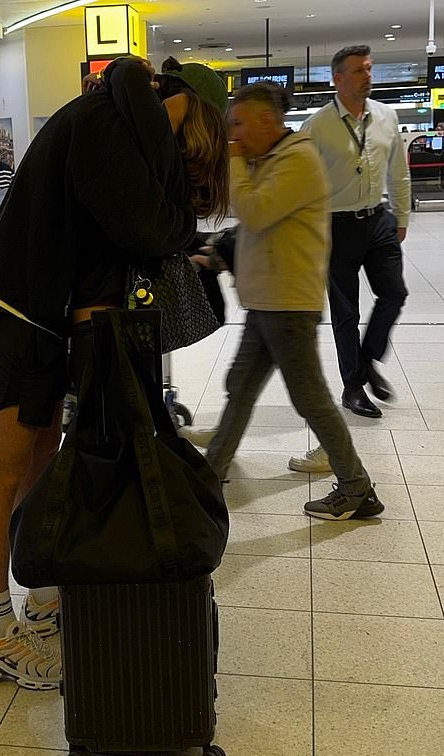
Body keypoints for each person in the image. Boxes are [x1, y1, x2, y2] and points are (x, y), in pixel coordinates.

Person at [0, 56, 229, 690]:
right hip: (17, 307)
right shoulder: (108, 120)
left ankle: (45, 605)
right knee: (2, 464)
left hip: (42, 309)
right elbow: (143, 227)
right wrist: (180, 224)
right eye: (195, 147)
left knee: (39, 458)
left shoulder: (119, 118)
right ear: (189, 109)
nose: (185, 159)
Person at [184, 81, 383, 521]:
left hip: (288, 305)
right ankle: (209, 477)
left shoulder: (298, 160)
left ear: (267, 122)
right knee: (240, 388)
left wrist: (235, 160)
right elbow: (259, 228)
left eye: (238, 124)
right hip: (268, 303)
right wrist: (219, 254)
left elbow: (254, 211)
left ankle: (356, 488)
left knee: (308, 398)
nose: (233, 134)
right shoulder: (272, 159)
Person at [288, 44, 411, 474]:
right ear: (337, 78)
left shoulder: (386, 117)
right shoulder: (317, 127)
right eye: (358, 70)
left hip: (377, 220)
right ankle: (353, 386)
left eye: (369, 69)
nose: (366, 75)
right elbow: (302, 181)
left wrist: (402, 213)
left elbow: (399, 169)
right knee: (345, 311)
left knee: (394, 293)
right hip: (335, 226)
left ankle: (367, 359)